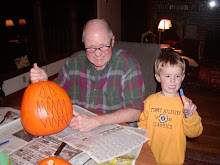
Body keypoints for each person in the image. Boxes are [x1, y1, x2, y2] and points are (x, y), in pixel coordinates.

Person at [30, 19, 145, 132]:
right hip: (78, 129)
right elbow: (53, 96)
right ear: (83, 43)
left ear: (112, 41)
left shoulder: (127, 64)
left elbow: (136, 112)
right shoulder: (72, 63)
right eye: (90, 47)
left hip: (114, 129)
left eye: (104, 46)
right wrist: (43, 81)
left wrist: (96, 121)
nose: (98, 53)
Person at [137, 49, 203, 165]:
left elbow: (194, 133)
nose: (173, 81)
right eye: (167, 76)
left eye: (177, 76)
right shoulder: (150, 101)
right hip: (149, 157)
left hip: (173, 160)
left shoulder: (186, 105)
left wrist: (189, 116)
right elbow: (142, 125)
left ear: (182, 77)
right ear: (158, 77)